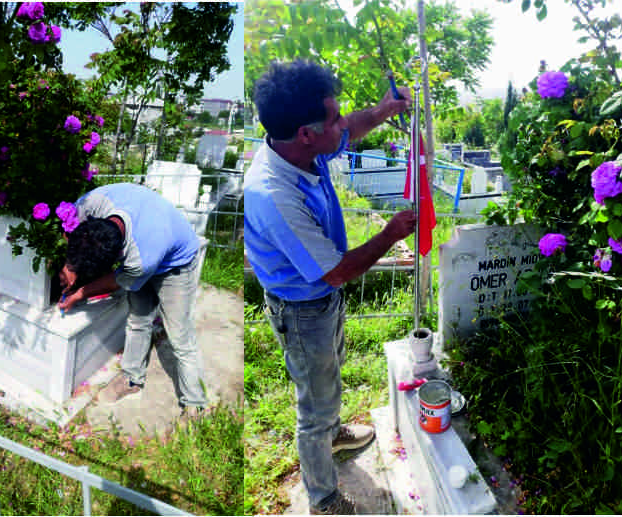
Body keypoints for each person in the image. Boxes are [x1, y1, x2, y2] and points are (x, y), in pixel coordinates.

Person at [244, 60, 417, 515]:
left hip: (319, 301)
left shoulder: (300, 146)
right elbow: (336, 272)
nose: (343, 126)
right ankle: (322, 497)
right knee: (313, 406)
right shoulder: (275, 193)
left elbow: (348, 130)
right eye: (334, 118)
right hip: (302, 309)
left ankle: (335, 433)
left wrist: (382, 112)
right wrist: (389, 234)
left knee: (330, 372)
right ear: (306, 133)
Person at [58, 183, 206, 415]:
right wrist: (70, 266)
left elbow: (118, 279)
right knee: (138, 319)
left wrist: (78, 294)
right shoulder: (94, 203)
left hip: (176, 265)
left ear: (118, 257)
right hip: (152, 238)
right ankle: (132, 379)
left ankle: (194, 404)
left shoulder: (140, 260)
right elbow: (71, 231)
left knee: (180, 338)